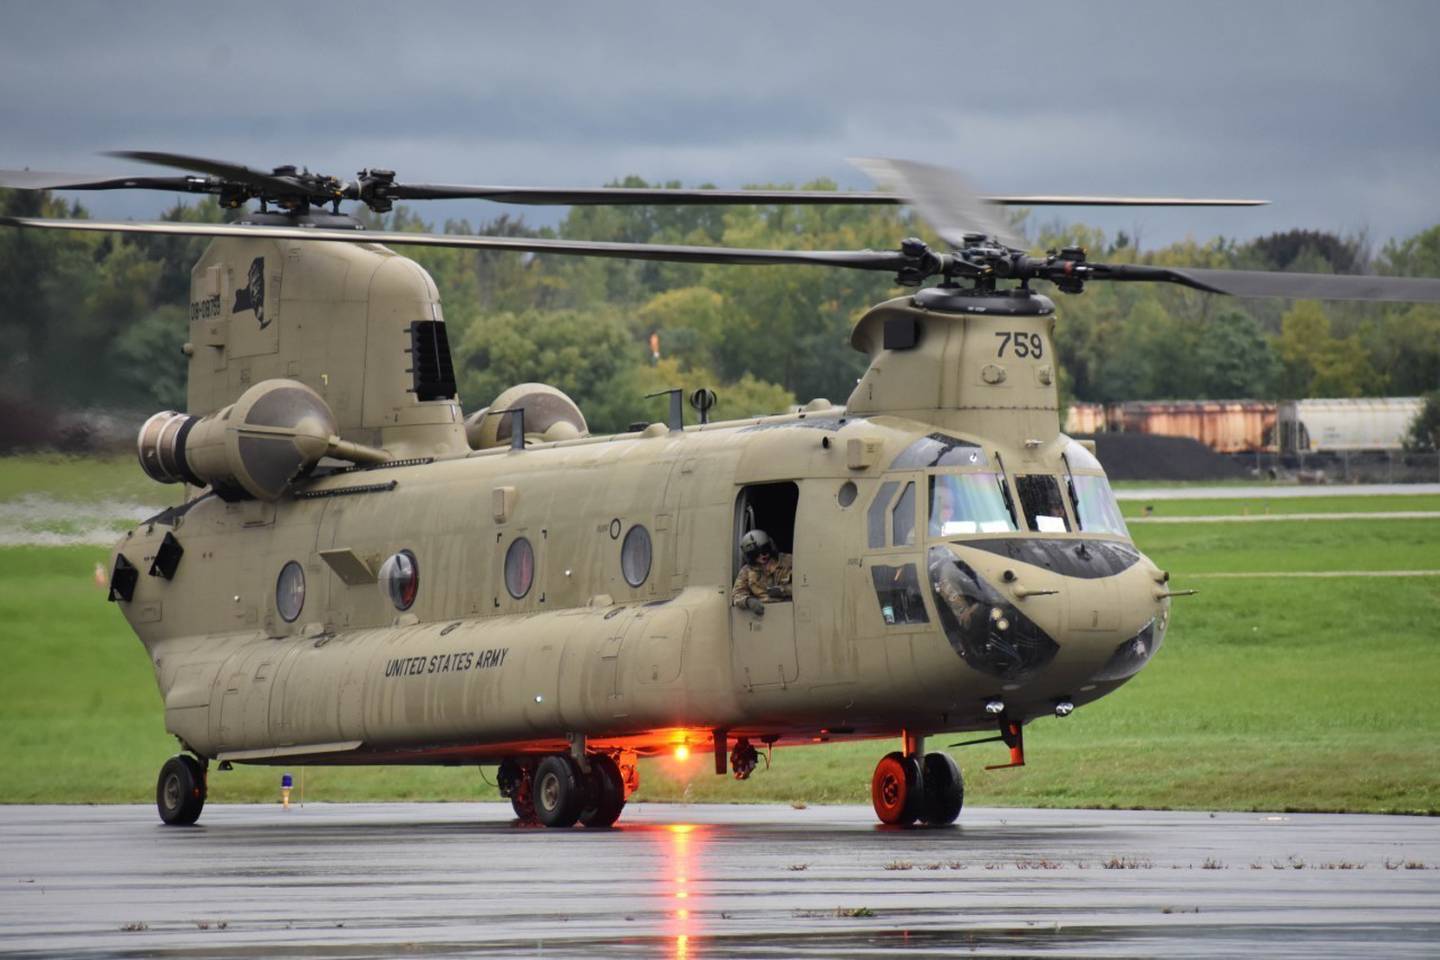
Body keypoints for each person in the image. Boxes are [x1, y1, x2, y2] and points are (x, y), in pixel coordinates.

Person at [731, 529, 792, 616]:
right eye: (755, 554)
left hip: (789, 610)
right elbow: (737, 595)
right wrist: (748, 601)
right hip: (764, 615)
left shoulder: (789, 561)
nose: (762, 556)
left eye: (764, 550)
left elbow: (806, 586)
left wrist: (784, 590)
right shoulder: (747, 571)